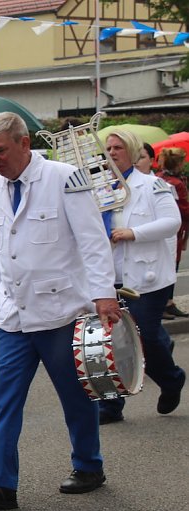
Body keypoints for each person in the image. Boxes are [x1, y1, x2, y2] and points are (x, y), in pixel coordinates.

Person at [0, 112, 121, 510]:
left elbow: (93, 241)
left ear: (24, 143)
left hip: (60, 310)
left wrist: (103, 295)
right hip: (12, 316)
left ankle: (88, 465)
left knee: (75, 395)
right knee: (4, 401)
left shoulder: (64, 177)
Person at [97, 131, 185, 425]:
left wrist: (133, 233)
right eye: (108, 148)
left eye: (118, 147)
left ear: (131, 151)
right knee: (111, 342)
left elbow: (172, 222)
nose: (112, 151)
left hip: (146, 278)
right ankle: (111, 405)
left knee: (144, 336)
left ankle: (171, 379)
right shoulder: (99, 189)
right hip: (110, 277)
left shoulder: (152, 185)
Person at [156, 147, 189, 319]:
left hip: (161, 227)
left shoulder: (159, 178)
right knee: (172, 265)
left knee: (163, 264)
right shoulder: (177, 184)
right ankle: (167, 302)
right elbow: (185, 209)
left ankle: (165, 302)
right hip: (176, 230)